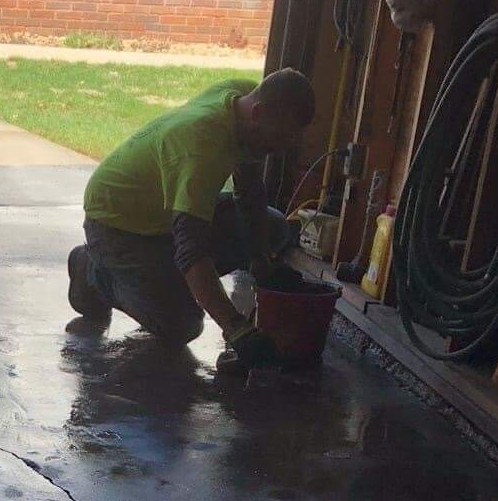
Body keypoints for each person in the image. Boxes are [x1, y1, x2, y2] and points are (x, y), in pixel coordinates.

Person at [66, 68, 317, 375]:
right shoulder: (200, 146)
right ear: (259, 112)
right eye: (278, 138)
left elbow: (249, 189)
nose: (280, 149)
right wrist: (236, 329)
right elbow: (191, 250)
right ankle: (93, 273)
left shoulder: (243, 98)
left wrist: (261, 260)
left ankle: (165, 280)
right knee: (181, 326)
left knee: (273, 227)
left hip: (163, 212)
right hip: (117, 225)